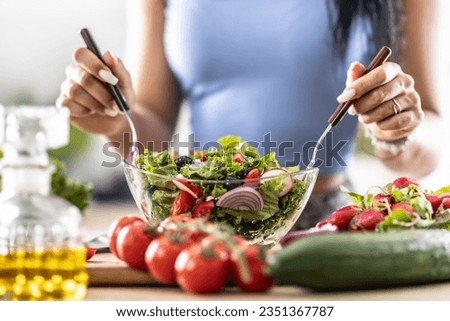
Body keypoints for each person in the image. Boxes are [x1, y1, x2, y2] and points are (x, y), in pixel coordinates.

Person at [57, 0, 445, 229]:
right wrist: (110, 118)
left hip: (323, 225)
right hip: (195, 222)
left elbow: (433, 134)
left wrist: (397, 133)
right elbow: (152, 130)